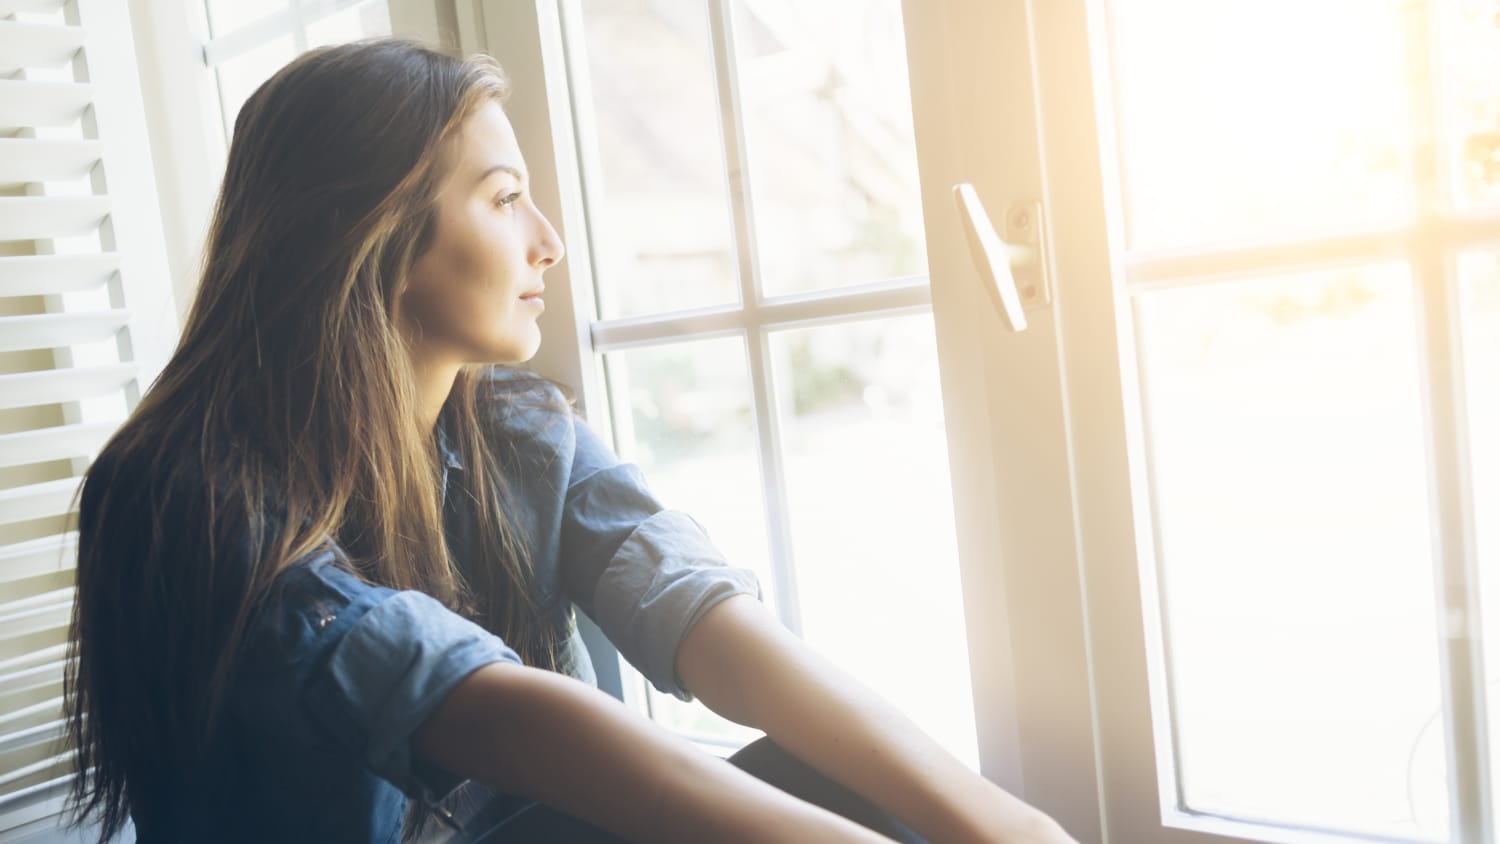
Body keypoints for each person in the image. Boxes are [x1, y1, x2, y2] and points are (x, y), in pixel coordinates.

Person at [64, 39, 1078, 844]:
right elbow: (484, 709)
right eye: (506, 198)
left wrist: (1003, 822)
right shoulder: (177, 495)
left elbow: (709, 623)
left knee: (845, 780)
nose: (548, 237)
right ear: (375, 230)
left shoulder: (513, 427)